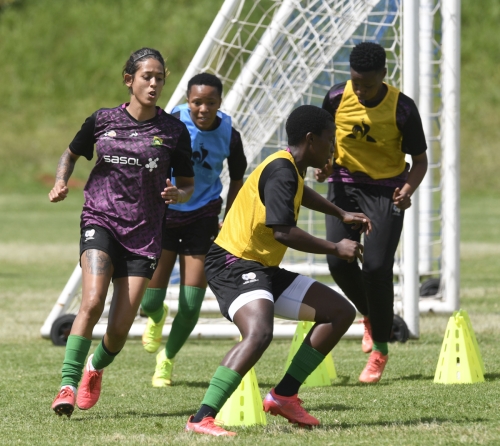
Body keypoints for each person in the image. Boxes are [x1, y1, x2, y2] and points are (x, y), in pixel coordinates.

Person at [185, 104, 371, 437]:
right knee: (259, 333)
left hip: (262, 267)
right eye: (330, 140)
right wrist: (335, 247)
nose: (333, 148)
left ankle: (284, 396)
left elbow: (300, 193)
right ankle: (201, 417)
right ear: (311, 139)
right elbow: (283, 231)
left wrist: (341, 212)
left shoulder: (289, 168)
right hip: (233, 263)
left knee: (340, 312)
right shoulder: (283, 170)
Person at [49, 47, 195, 418]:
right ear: (129, 80)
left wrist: (178, 194)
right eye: (147, 76)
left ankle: (94, 368)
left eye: (160, 77)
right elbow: (69, 154)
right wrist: (61, 182)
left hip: (145, 235)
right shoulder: (102, 120)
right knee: (92, 300)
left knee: (117, 332)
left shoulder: (173, 131)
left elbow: (188, 184)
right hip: (101, 220)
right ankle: (66, 384)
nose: (155, 83)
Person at [315, 42, 428, 384]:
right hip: (344, 187)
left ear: (383, 75)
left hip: (386, 191)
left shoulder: (402, 109)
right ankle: (370, 316)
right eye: (355, 82)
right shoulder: (336, 98)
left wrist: (407, 190)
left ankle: (380, 348)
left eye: (367, 83)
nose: (360, 90)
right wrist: (324, 166)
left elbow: (420, 161)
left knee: (377, 267)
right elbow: (326, 144)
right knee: (337, 260)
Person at [140, 73, 247, 387]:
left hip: (203, 215)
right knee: (148, 300)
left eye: (210, 102)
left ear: (219, 103)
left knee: (191, 302)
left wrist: (230, 215)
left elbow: (238, 179)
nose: (203, 108)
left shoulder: (229, 134)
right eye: (196, 102)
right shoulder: (171, 121)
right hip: (166, 214)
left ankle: (167, 359)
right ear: (188, 101)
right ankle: (157, 317)